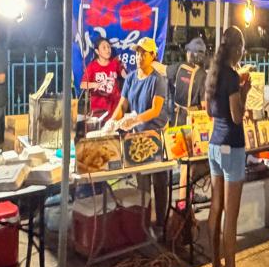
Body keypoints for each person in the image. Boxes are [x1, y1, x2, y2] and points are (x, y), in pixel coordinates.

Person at [204, 26, 258, 267]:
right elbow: (237, 117)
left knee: (216, 208)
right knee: (231, 217)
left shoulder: (212, 74)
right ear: (237, 49)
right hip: (231, 148)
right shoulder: (231, 76)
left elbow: (209, 110)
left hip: (213, 145)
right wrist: (244, 91)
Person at [109, 37, 169, 235]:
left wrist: (134, 120)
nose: (139, 56)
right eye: (137, 52)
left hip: (155, 136)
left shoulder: (158, 80)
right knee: (142, 184)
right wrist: (112, 121)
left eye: (144, 53)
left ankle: (161, 224)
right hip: (136, 138)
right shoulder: (131, 78)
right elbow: (123, 105)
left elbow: (155, 109)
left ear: (153, 56)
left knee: (160, 183)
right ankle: (143, 225)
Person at [80, 37, 126, 119]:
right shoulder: (92, 66)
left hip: (115, 110)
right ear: (97, 51)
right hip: (98, 111)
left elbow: (124, 75)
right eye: (104, 48)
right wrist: (94, 85)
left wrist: (124, 70)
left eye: (108, 47)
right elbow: (82, 85)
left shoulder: (115, 63)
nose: (107, 50)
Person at [169, 36, 209, 126]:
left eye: (188, 51)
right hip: (193, 121)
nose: (187, 53)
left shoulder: (180, 67)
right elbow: (204, 105)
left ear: (191, 54)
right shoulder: (203, 75)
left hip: (177, 118)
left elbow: (164, 70)